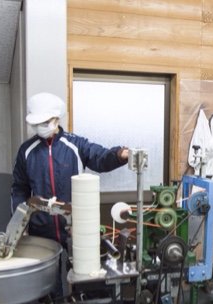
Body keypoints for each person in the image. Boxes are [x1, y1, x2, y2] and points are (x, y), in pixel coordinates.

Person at [11, 92, 129, 249]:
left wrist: (119, 155)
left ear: (56, 119)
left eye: (45, 122)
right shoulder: (26, 151)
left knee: (77, 263)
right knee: (45, 265)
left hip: (73, 228)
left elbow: (100, 158)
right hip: (39, 231)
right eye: (37, 124)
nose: (40, 127)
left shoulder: (75, 144)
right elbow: (19, 189)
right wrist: (20, 225)